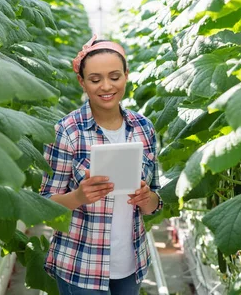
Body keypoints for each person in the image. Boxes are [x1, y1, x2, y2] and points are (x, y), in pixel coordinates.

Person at [40, 35, 163, 295]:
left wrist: (146, 197)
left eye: (115, 77)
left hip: (131, 264)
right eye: (95, 80)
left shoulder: (144, 128)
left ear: (126, 76)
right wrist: (78, 196)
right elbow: (44, 205)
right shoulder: (67, 131)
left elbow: (154, 204)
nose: (106, 86)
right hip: (81, 266)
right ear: (82, 82)